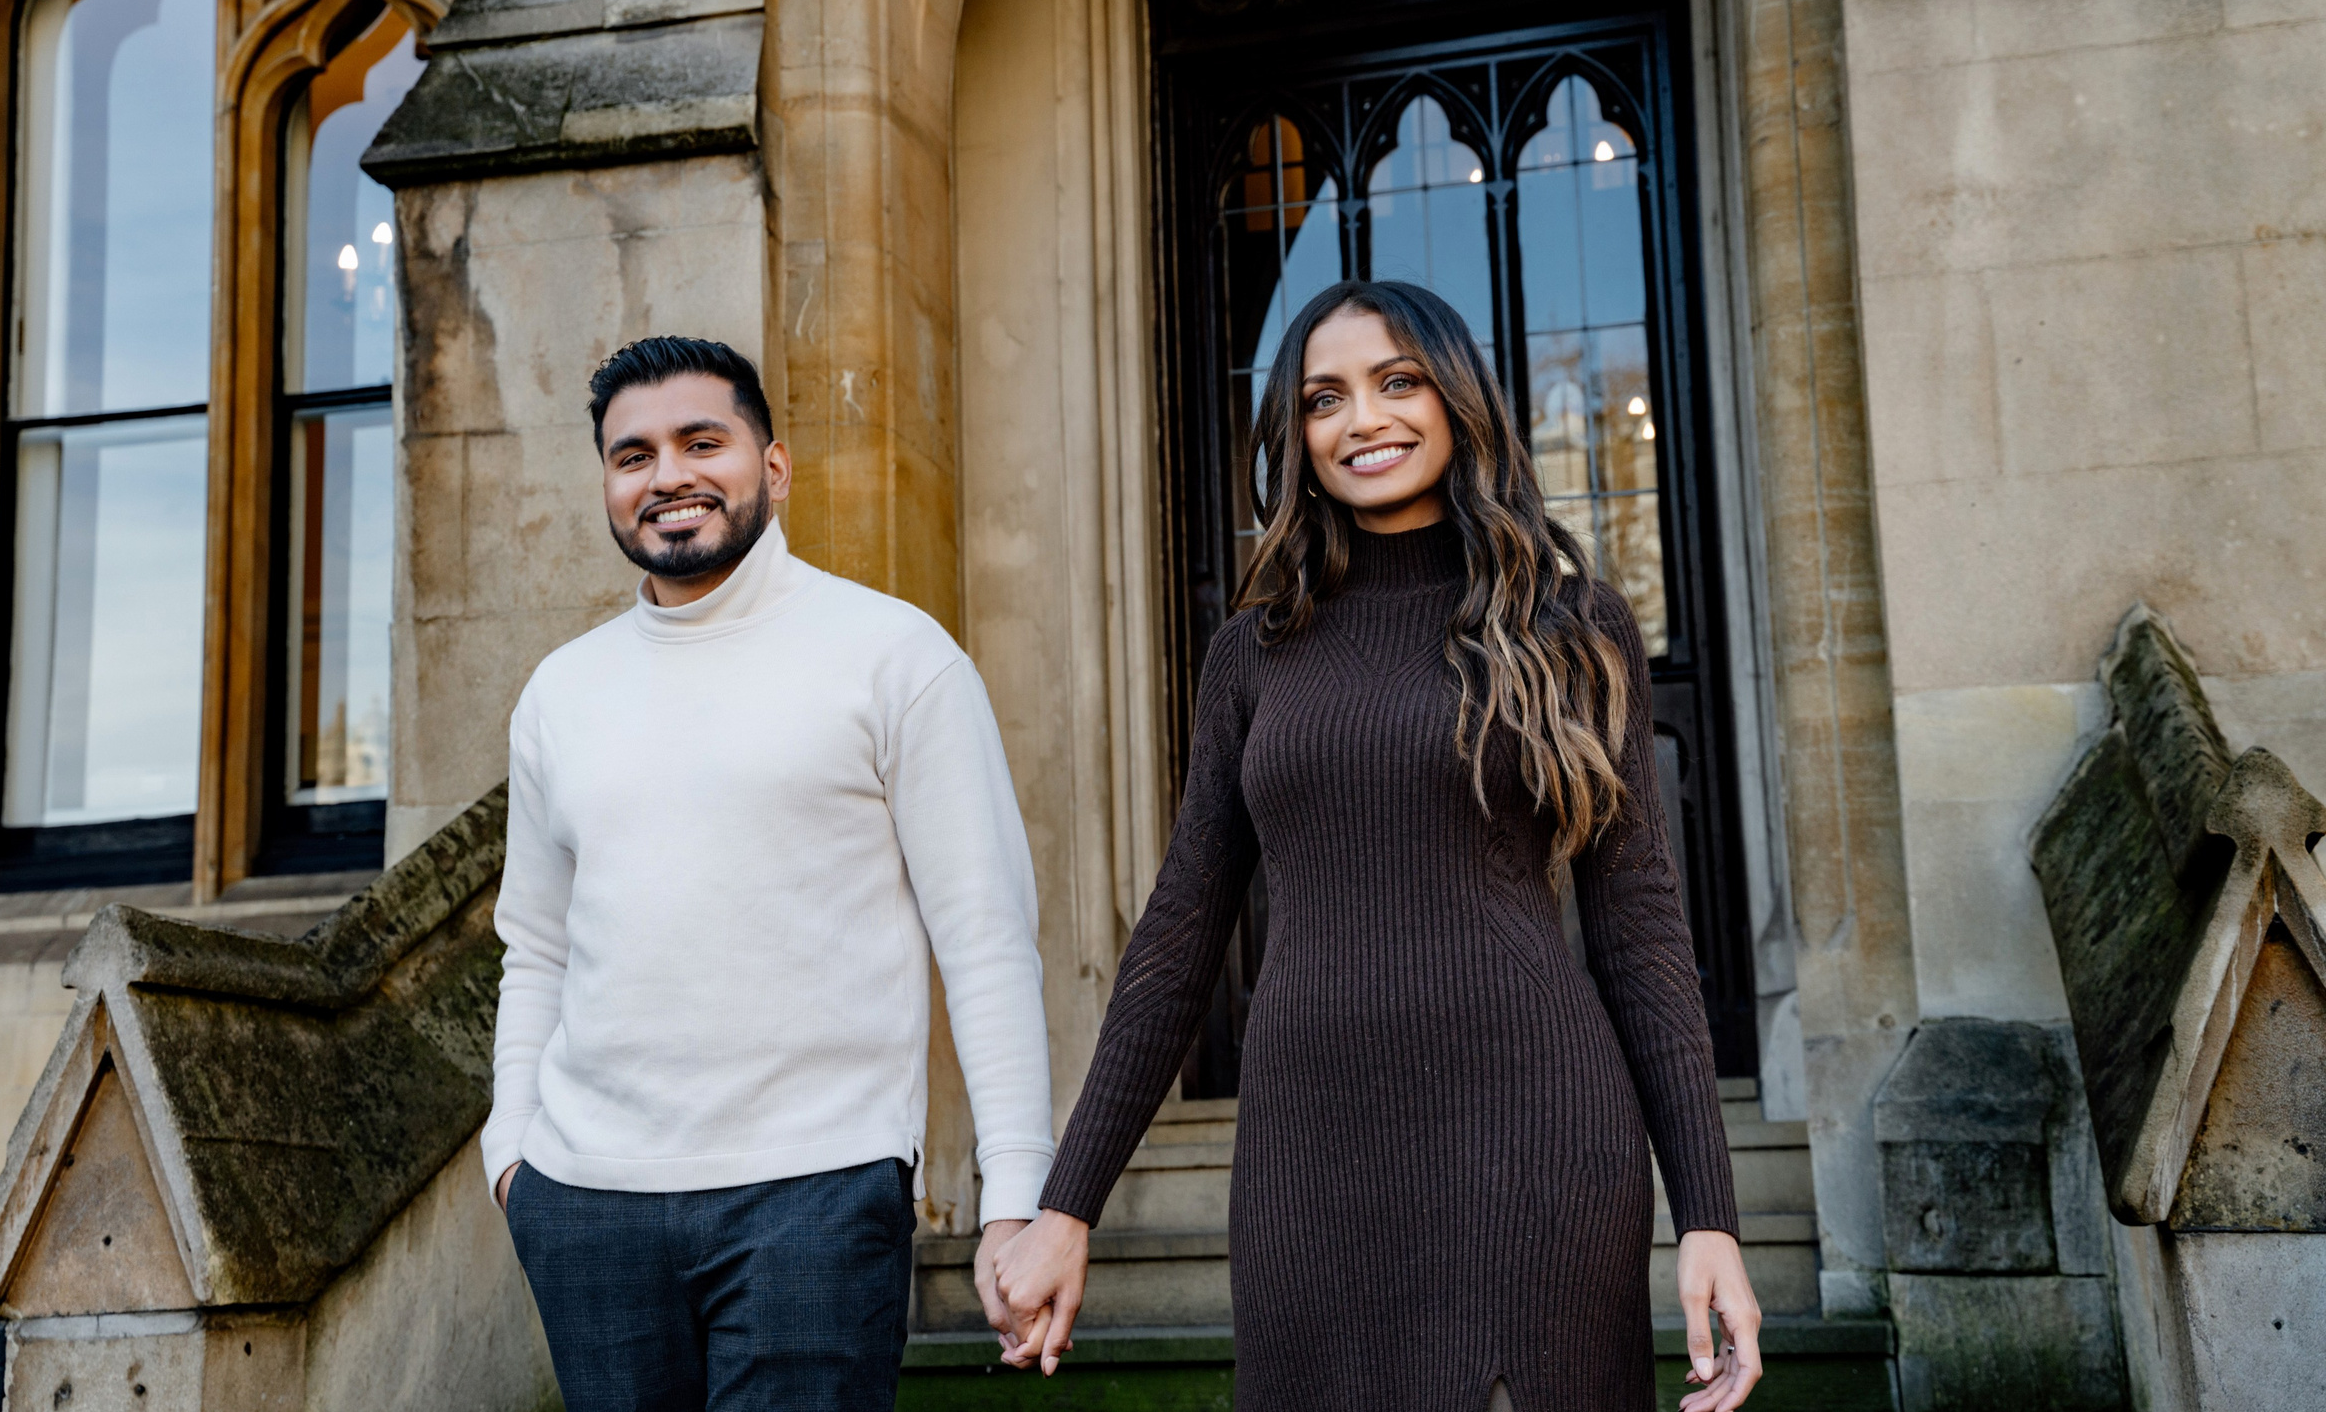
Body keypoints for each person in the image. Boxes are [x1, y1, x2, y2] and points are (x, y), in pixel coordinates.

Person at [991, 284, 1764, 1412]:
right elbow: (1178, 933)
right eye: (1323, 397)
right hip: (1311, 1157)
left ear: (1456, 398)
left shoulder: (1571, 623)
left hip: (1533, 1136)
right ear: (1296, 437)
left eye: (1396, 381)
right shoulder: (1252, 655)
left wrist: (1709, 1214)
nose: (1363, 419)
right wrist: (1066, 1204)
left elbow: (1639, 924)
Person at [484, 335, 1055, 1412]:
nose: (668, 475)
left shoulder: (896, 655)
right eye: (633, 453)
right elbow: (537, 947)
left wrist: (1012, 1191)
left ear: (774, 465)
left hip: (816, 1192)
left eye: (703, 441)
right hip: (587, 1208)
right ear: (607, 481)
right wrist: (512, 1153)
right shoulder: (560, 692)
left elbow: (984, 938)